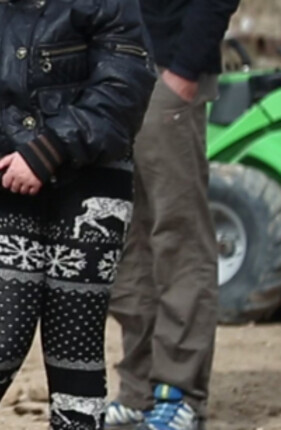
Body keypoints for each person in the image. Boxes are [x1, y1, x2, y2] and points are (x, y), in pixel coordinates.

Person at [0, 0, 156, 428]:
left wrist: (47, 152)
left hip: (91, 183)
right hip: (4, 182)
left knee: (76, 348)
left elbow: (123, 87)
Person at [106, 0, 240, 429]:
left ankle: (179, 391)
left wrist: (185, 70)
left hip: (167, 72)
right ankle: (138, 389)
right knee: (127, 235)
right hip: (108, 74)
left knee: (178, 233)